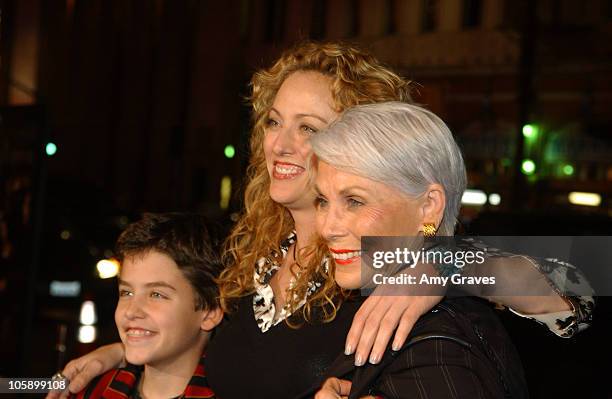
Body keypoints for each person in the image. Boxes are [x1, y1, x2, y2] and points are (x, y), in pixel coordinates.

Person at [48, 41, 592, 399]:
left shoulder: (390, 261)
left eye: (308, 128)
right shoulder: (248, 253)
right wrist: (120, 352)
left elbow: (580, 293)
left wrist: (445, 268)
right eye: (274, 121)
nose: (280, 144)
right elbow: (191, 324)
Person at [312, 102, 528, 398]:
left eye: (354, 201)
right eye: (322, 200)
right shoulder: (418, 321)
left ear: (428, 208)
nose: (327, 227)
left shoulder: (436, 349)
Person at [71, 213, 223, 399]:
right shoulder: (92, 392)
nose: (131, 311)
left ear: (210, 313)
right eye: (126, 293)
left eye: (156, 295)